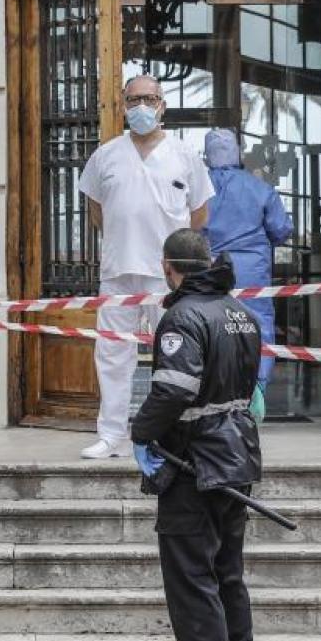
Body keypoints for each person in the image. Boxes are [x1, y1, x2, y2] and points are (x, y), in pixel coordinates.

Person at [131, 229, 263, 641]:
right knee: (228, 577)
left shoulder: (182, 316)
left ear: (170, 266)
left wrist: (140, 435)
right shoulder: (240, 313)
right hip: (237, 459)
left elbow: (173, 391)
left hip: (197, 467)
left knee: (193, 580)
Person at [78, 75, 216, 459]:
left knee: (174, 354)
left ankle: (174, 432)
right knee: (112, 353)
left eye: (150, 99)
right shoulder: (105, 155)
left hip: (167, 275)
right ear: (122, 105)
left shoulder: (185, 155)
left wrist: (176, 259)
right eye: (134, 99)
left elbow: (199, 213)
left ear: (162, 105)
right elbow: (96, 209)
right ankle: (111, 434)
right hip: (119, 269)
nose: (142, 106)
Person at [202, 128, 294, 421]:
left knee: (209, 327)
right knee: (258, 327)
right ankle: (256, 391)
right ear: (238, 152)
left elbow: (186, 227)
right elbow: (281, 230)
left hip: (210, 267)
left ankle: (214, 394)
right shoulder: (260, 188)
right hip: (251, 270)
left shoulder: (198, 189)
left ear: (207, 155)